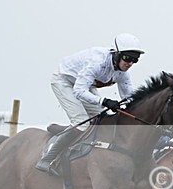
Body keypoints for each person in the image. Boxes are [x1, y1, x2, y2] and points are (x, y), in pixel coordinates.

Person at [36, 33, 145, 174]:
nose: (129, 63)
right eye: (127, 58)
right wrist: (104, 101)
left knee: (103, 118)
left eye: (134, 60)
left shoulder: (123, 73)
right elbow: (79, 91)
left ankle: (68, 131)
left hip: (84, 85)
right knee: (82, 122)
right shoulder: (97, 62)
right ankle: (47, 159)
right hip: (64, 81)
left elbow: (129, 97)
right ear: (117, 54)